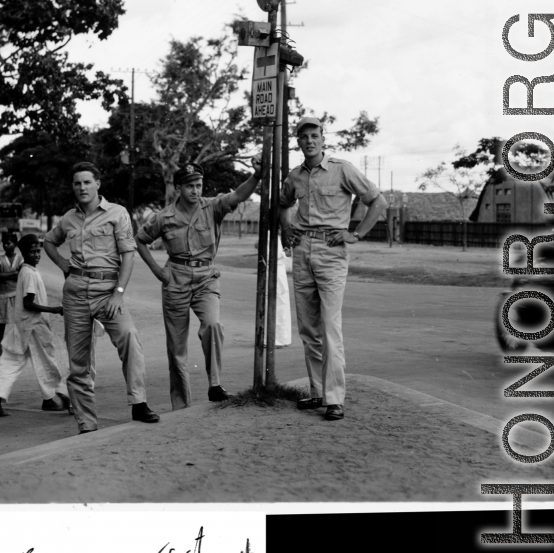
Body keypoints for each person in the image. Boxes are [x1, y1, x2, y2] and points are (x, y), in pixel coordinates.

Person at [280, 117, 388, 420]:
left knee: (329, 327)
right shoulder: (295, 176)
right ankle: (318, 393)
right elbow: (282, 203)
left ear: (322, 139)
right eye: (304, 137)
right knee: (308, 329)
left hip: (331, 252)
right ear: (298, 142)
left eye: (314, 135)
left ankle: (335, 398)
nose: (310, 141)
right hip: (302, 253)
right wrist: (285, 229)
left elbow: (377, 201)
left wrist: (356, 234)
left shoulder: (342, 169)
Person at [135, 158, 263, 409]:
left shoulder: (212, 207)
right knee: (176, 346)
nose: (195, 191)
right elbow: (140, 240)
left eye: (199, 185)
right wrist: (158, 272)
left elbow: (238, 195)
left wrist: (256, 177)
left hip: (206, 279)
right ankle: (181, 405)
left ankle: (215, 385)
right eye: (190, 186)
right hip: (176, 280)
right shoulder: (164, 217)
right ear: (178, 189)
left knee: (213, 325)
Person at [43, 162, 159, 434]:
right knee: (79, 361)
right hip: (75, 293)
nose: (81, 187)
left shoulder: (117, 213)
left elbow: (128, 254)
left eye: (86, 182)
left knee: (129, 336)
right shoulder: (68, 219)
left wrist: (119, 293)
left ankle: (139, 403)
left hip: (108, 292)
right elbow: (49, 241)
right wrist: (63, 265)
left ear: (97, 184)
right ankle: (87, 422)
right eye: (77, 183)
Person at [0, 234, 69, 417]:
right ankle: (53, 397)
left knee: (11, 362)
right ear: (24, 253)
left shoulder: (27, 271)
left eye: (38, 251)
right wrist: (54, 309)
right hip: (33, 327)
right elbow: (28, 303)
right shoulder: (29, 274)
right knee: (48, 362)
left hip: (22, 326)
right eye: (32, 252)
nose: (37, 255)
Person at [0, 233, 23, 356]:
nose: (6, 245)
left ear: (15, 244)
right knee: (1, 322)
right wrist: (13, 273)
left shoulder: (20, 259)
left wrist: (5, 275)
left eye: (8, 243)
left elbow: (20, 276)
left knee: (18, 322)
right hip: (3, 295)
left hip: (17, 294)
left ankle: (18, 347)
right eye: (4, 243)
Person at [275, 238, 292, 348]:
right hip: (275, 274)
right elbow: (269, 256)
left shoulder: (278, 236)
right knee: (278, 308)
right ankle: (276, 340)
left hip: (280, 274)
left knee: (282, 308)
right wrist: (284, 254)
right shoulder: (269, 235)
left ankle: (282, 338)